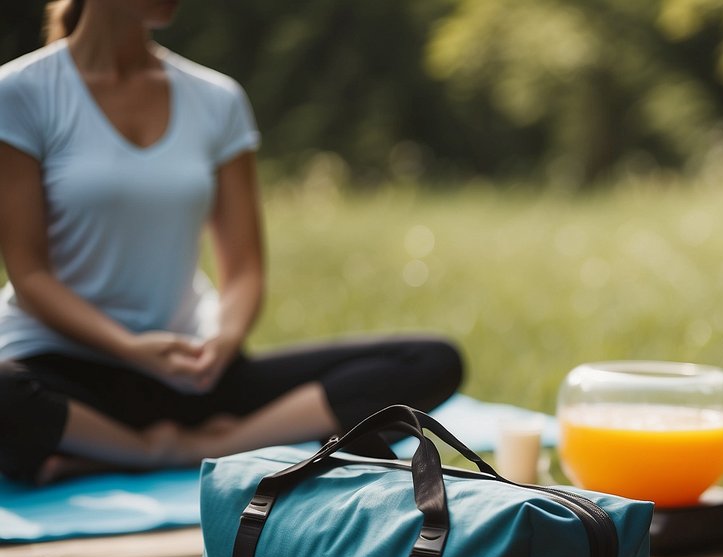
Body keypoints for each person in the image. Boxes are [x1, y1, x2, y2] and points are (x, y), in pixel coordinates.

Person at [0, 0, 464, 484]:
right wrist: (131, 347)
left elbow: (243, 269)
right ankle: (144, 450)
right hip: (58, 370)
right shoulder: (20, 92)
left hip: (186, 372)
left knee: (430, 361)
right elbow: (30, 276)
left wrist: (224, 339)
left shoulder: (217, 99)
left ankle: (211, 446)